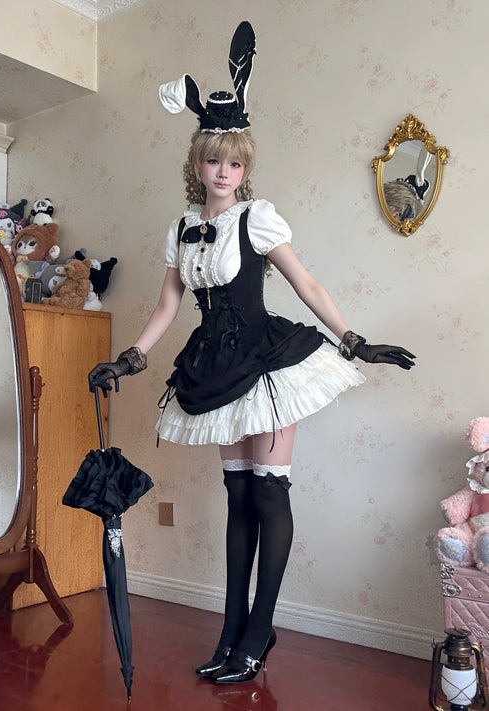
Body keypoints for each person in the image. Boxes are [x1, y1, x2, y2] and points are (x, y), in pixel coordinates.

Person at [88, 21, 415, 685]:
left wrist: (353, 340)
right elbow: (166, 306)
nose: (223, 171)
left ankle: (259, 631)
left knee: (268, 494)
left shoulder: (257, 217)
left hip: (266, 362)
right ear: (197, 162)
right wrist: (128, 359)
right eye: (214, 160)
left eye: (234, 163)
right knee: (238, 496)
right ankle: (231, 632)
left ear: (245, 167)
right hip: (213, 367)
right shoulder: (182, 229)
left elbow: (306, 283)